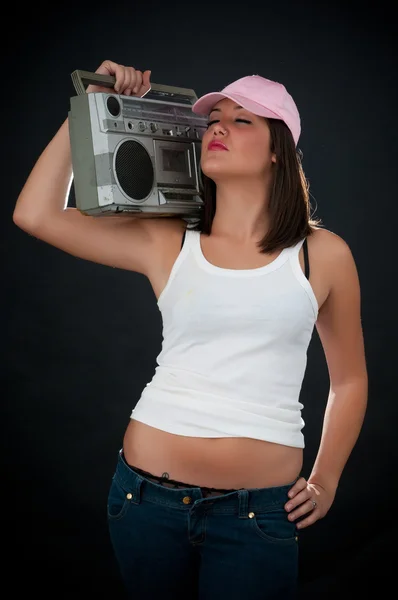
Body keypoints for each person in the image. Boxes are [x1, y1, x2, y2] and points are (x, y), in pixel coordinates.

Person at [13, 59, 368, 599]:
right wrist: (91, 100)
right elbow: (34, 214)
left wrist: (326, 480)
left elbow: (350, 382)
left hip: (257, 514)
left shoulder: (324, 256)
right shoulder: (168, 240)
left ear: (279, 150)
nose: (219, 126)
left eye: (242, 120)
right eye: (214, 118)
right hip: (143, 503)